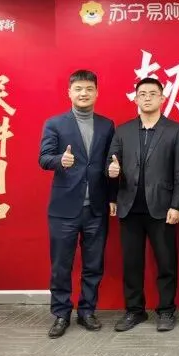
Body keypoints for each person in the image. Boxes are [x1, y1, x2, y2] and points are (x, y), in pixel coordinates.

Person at [38, 70, 115, 338]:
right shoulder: (55, 124)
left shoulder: (107, 125)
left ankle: (87, 311)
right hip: (64, 209)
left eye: (89, 89)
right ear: (69, 92)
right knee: (62, 265)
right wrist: (60, 160)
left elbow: (110, 162)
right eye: (79, 89)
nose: (84, 93)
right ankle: (61, 314)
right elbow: (44, 158)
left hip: (97, 208)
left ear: (97, 93)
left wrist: (113, 193)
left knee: (93, 265)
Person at [107, 77, 179, 332]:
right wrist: (111, 177)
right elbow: (110, 163)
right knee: (131, 264)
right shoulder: (123, 130)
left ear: (162, 98)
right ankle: (134, 311)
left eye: (153, 93)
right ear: (135, 98)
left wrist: (177, 205)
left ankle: (166, 311)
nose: (147, 98)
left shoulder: (175, 130)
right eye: (142, 94)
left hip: (162, 208)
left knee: (166, 263)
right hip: (129, 207)